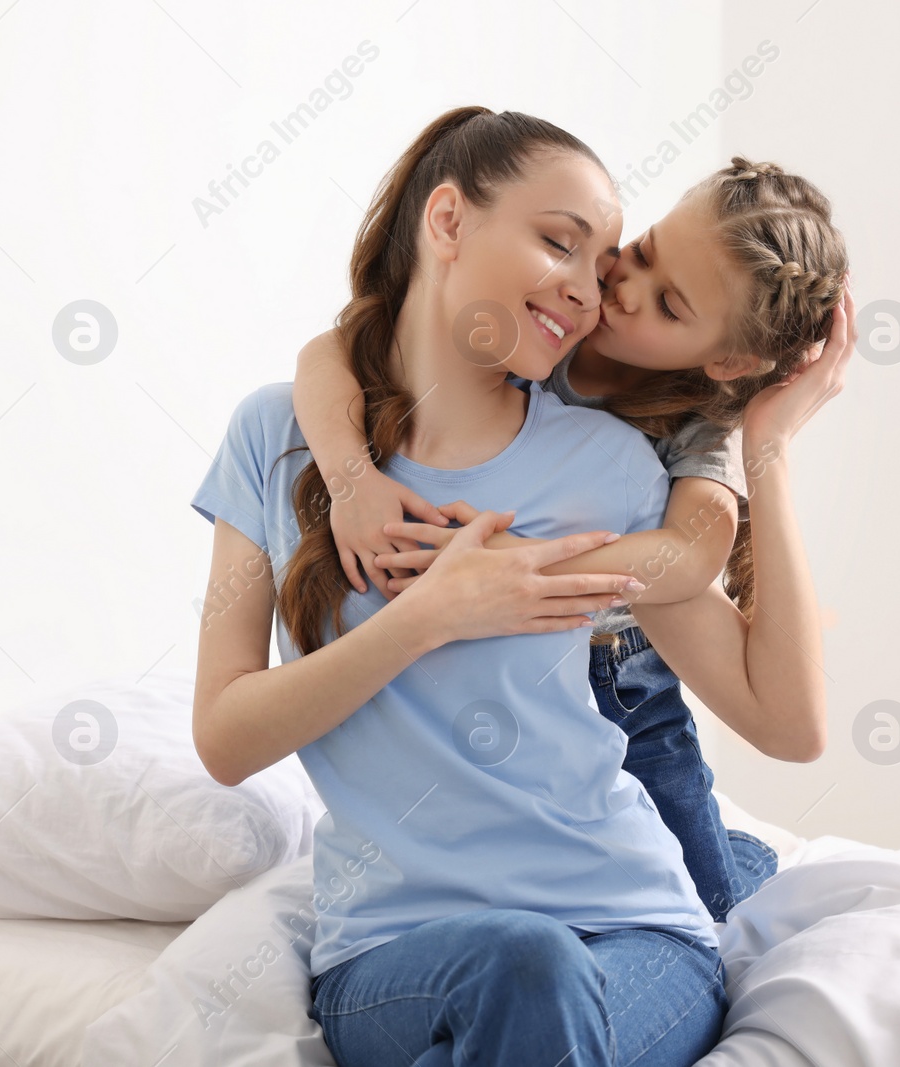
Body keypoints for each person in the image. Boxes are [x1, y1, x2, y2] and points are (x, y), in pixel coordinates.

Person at [193, 106, 753, 1066]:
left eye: (602, 261)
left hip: (632, 930)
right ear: (447, 221)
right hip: (395, 950)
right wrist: (428, 616)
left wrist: (769, 448)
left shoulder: (613, 465)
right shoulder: (277, 436)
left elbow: (755, 683)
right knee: (524, 966)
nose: (588, 292)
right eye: (558, 244)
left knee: (540, 994)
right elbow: (226, 736)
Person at [290, 151, 850, 921]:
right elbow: (334, 349)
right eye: (644, 252)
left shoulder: (691, 433)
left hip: (616, 689)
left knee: (710, 904)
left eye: (669, 305)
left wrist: (770, 447)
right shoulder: (543, 316)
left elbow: (691, 554)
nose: (620, 292)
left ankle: (737, 856)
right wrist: (350, 481)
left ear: (727, 359)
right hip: (492, 683)